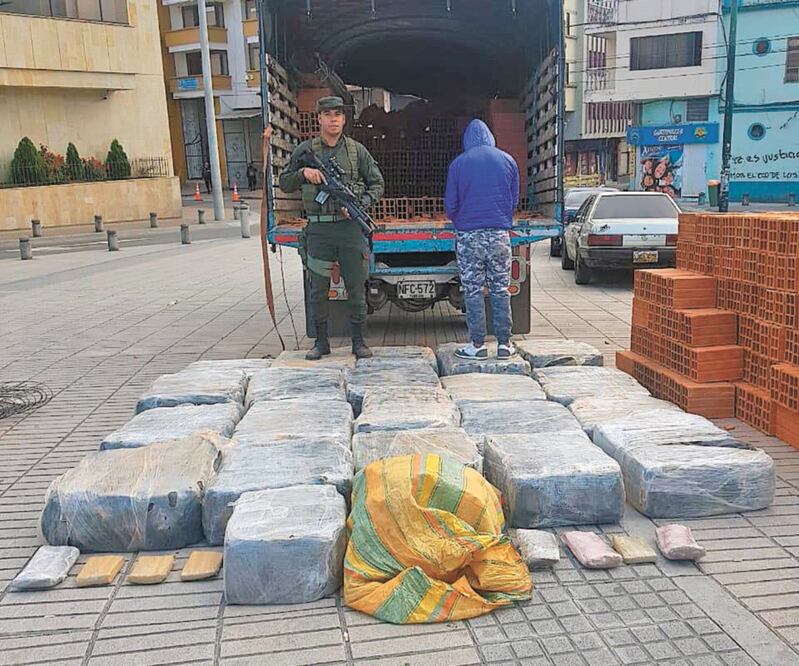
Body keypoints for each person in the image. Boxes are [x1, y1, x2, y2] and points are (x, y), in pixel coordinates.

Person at [279, 96, 385, 360]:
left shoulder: (356, 151)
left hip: (350, 229)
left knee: (356, 287)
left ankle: (358, 342)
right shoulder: (306, 150)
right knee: (318, 289)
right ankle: (321, 342)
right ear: (319, 119)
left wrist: (360, 203)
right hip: (319, 230)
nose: (333, 119)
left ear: (344, 119)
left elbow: (377, 183)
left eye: (338, 114)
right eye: (328, 114)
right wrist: (304, 173)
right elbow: (284, 182)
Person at [445, 118, 519, 360]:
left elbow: (451, 205)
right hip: (499, 235)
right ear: (490, 137)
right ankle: (505, 344)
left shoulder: (458, 164)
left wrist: (462, 222)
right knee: (500, 288)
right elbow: (514, 199)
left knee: (473, 290)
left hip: (469, 236)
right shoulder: (508, 160)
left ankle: (476, 345)